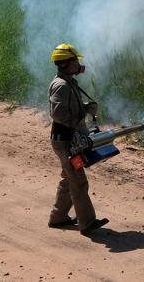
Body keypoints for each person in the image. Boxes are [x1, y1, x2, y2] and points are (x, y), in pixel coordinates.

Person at [47, 43, 108, 236]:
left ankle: (58, 218)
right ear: (66, 64)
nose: (78, 64)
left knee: (69, 177)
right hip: (65, 142)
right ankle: (87, 223)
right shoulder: (61, 85)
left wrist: (85, 106)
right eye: (75, 61)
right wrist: (78, 118)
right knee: (78, 181)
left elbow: (70, 104)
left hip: (68, 140)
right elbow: (57, 114)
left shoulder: (69, 82)